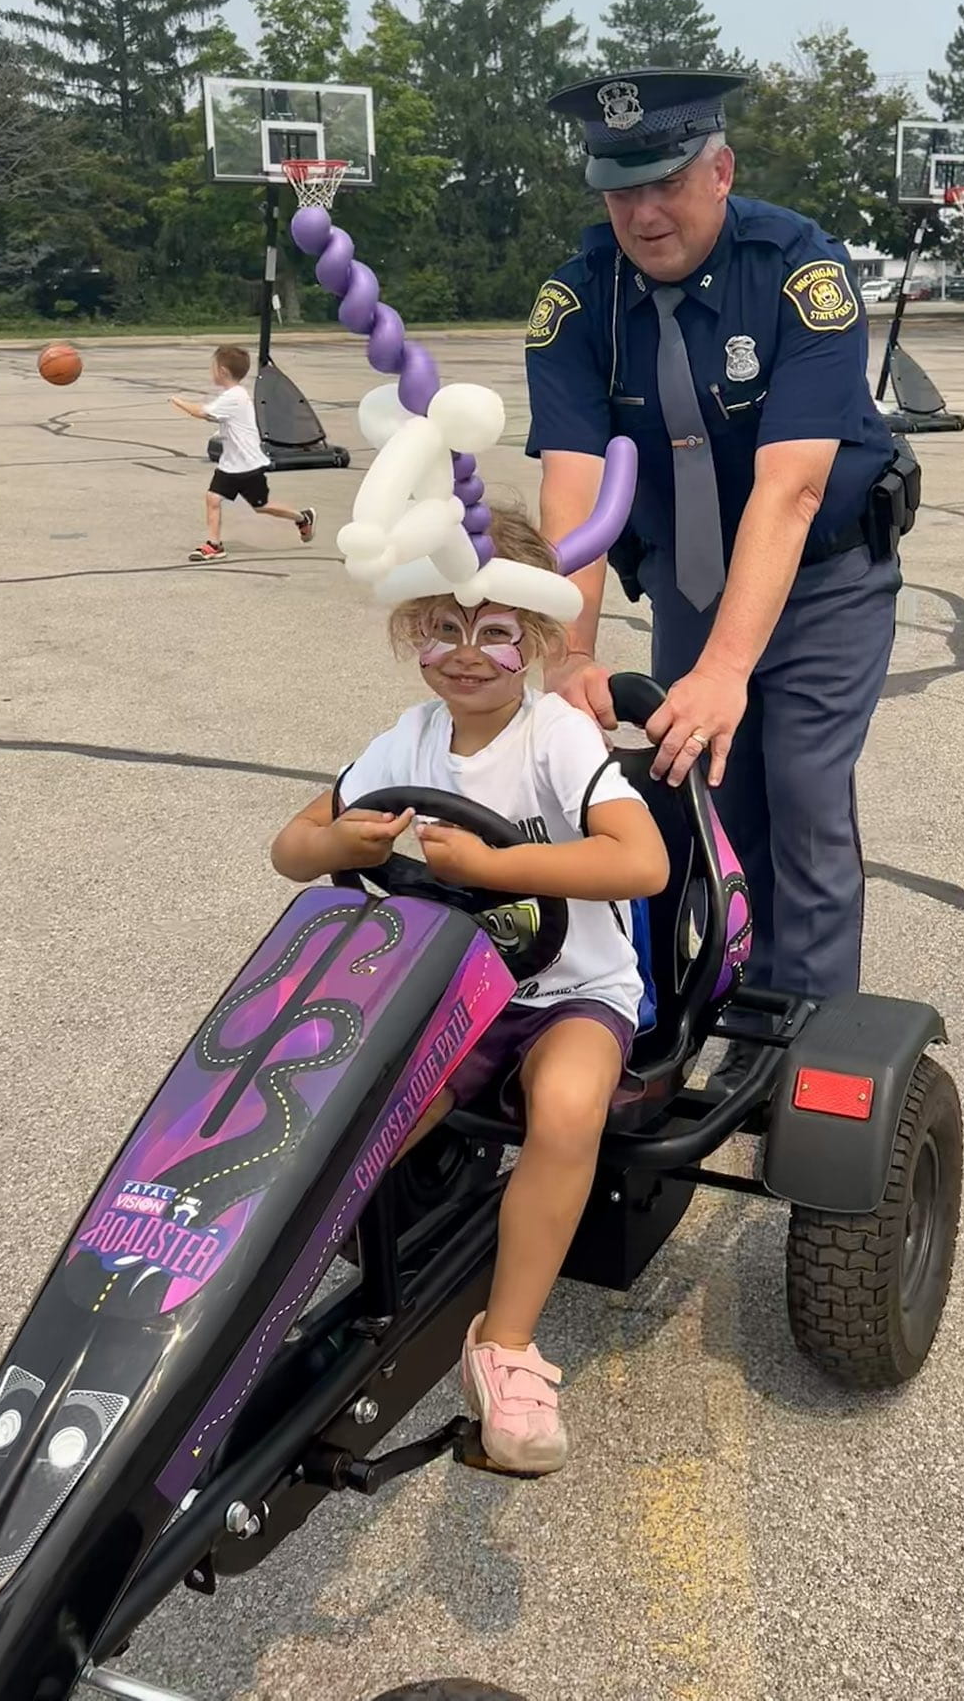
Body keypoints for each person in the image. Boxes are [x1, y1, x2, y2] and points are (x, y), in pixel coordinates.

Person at [270, 505, 669, 1474]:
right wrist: (342, 840)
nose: (463, 653)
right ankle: (261, 1298)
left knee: (568, 1108)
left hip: (576, 992)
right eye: (442, 627)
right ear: (415, 631)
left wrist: (496, 864)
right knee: (352, 1113)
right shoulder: (408, 741)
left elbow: (645, 860)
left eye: (492, 632)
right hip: (460, 988)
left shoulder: (554, 740)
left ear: (533, 639)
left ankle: (507, 1345)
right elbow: (291, 846)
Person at [525, 69, 912, 1016]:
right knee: (707, 807)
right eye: (623, 190)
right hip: (692, 586)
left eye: (667, 183)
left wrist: (726, 670)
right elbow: (571, 489)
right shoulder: (578, 305)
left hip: (825, 576)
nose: (645, 213)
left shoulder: (797, 271)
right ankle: (723, 1005)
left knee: (805, 797)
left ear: (721, 170)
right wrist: (569, 654)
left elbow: (793, 487)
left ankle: (808, 1039)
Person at [170, 344, 315, 562]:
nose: (211, 372)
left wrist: (178, 401)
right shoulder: (231, 396)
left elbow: (202, 412)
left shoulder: (235, 396)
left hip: (247, 465)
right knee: (213, 498)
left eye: (213, 368)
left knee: (262, 507)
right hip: (230, 464)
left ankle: (302, 517)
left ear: (223, 371)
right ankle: (214, 545)